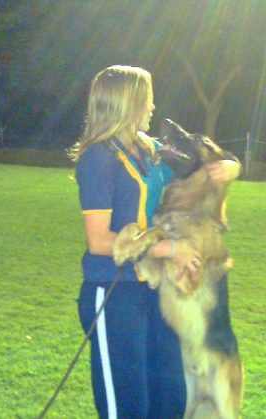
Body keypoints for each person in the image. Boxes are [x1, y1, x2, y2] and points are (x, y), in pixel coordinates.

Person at [71, 65, 240, 418]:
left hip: (153, 291)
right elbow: (99, 241)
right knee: (129, 408)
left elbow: (206, 159)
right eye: (147, 98)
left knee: (170, 401)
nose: (153, 106)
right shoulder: (98, 159)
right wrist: (171, 249)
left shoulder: (149, 148)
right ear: (128, 102)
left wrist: (232, 167)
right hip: (113, 292)